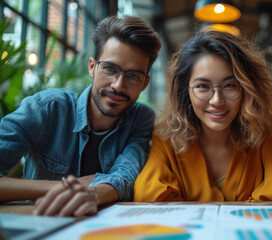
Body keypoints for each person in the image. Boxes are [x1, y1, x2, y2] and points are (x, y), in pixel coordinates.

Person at [0, 15, 161, 216]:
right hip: (41, 222)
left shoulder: (141, 118)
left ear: (145, 83)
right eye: (110, 69)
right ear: (92, 67)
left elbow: (126, 173)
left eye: (133, 76)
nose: (118, 85)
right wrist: (66, 189)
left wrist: (93, 193)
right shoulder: (47, 109)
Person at [133, 30, 272, 202]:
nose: (217, 100)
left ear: (246, 88)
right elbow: (148, 194)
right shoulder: (165, 136)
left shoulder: (269, 130)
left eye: (229, 85)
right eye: (203, 86)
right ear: (185, 91)